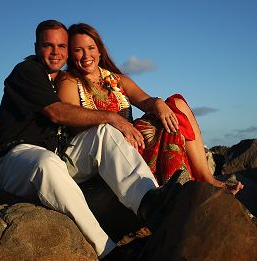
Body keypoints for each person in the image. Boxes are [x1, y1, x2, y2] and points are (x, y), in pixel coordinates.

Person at [0, 19, 184, 259]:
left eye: (62, 46)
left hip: (59, 158)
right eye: (48, 45)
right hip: (17, 157)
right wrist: (112, 116)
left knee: (104, 132)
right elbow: (57, 112)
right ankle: (107, 250)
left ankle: (150, 202)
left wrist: (118, 119)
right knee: (48, 161)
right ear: (36, 47)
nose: (56, 52)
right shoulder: (27, 71)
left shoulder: (63, 80)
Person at [57, 23, 244, 193]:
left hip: (135, 141)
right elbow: (75, 124)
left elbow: (146, 101)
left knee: (175, 104)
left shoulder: (116, 79)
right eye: (78, 50)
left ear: (100, 50)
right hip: (108, 152)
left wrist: (157, 103)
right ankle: (178, 189)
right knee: (154, 128)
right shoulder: (69, 81)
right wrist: (113, 122)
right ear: (71, 55)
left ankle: (205, 178)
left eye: (91, 48)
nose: (86, 55)